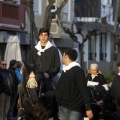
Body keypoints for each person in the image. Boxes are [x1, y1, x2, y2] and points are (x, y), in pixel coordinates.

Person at [18, 27, 60, 119]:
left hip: (49, 75)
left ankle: (58, 110)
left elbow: (57, 66)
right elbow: (29, 64)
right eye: (42, 35)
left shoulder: (54, 50)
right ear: (39, 37)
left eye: (45, 35)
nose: (43, 37)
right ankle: (22, 109)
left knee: (59, 87)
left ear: (48, 37)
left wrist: (49, 74)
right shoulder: (34, 50)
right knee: (20, 87)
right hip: (34, 75)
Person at [43, 48, 93, 120]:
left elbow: (84, 90)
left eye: (63, 56)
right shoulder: (65, 70)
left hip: (74, 109)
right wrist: (44, 94)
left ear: (66, 56)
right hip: (62, 108)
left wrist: (88, 108)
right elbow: (59, 90)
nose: (62, 58)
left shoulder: (78, 70)